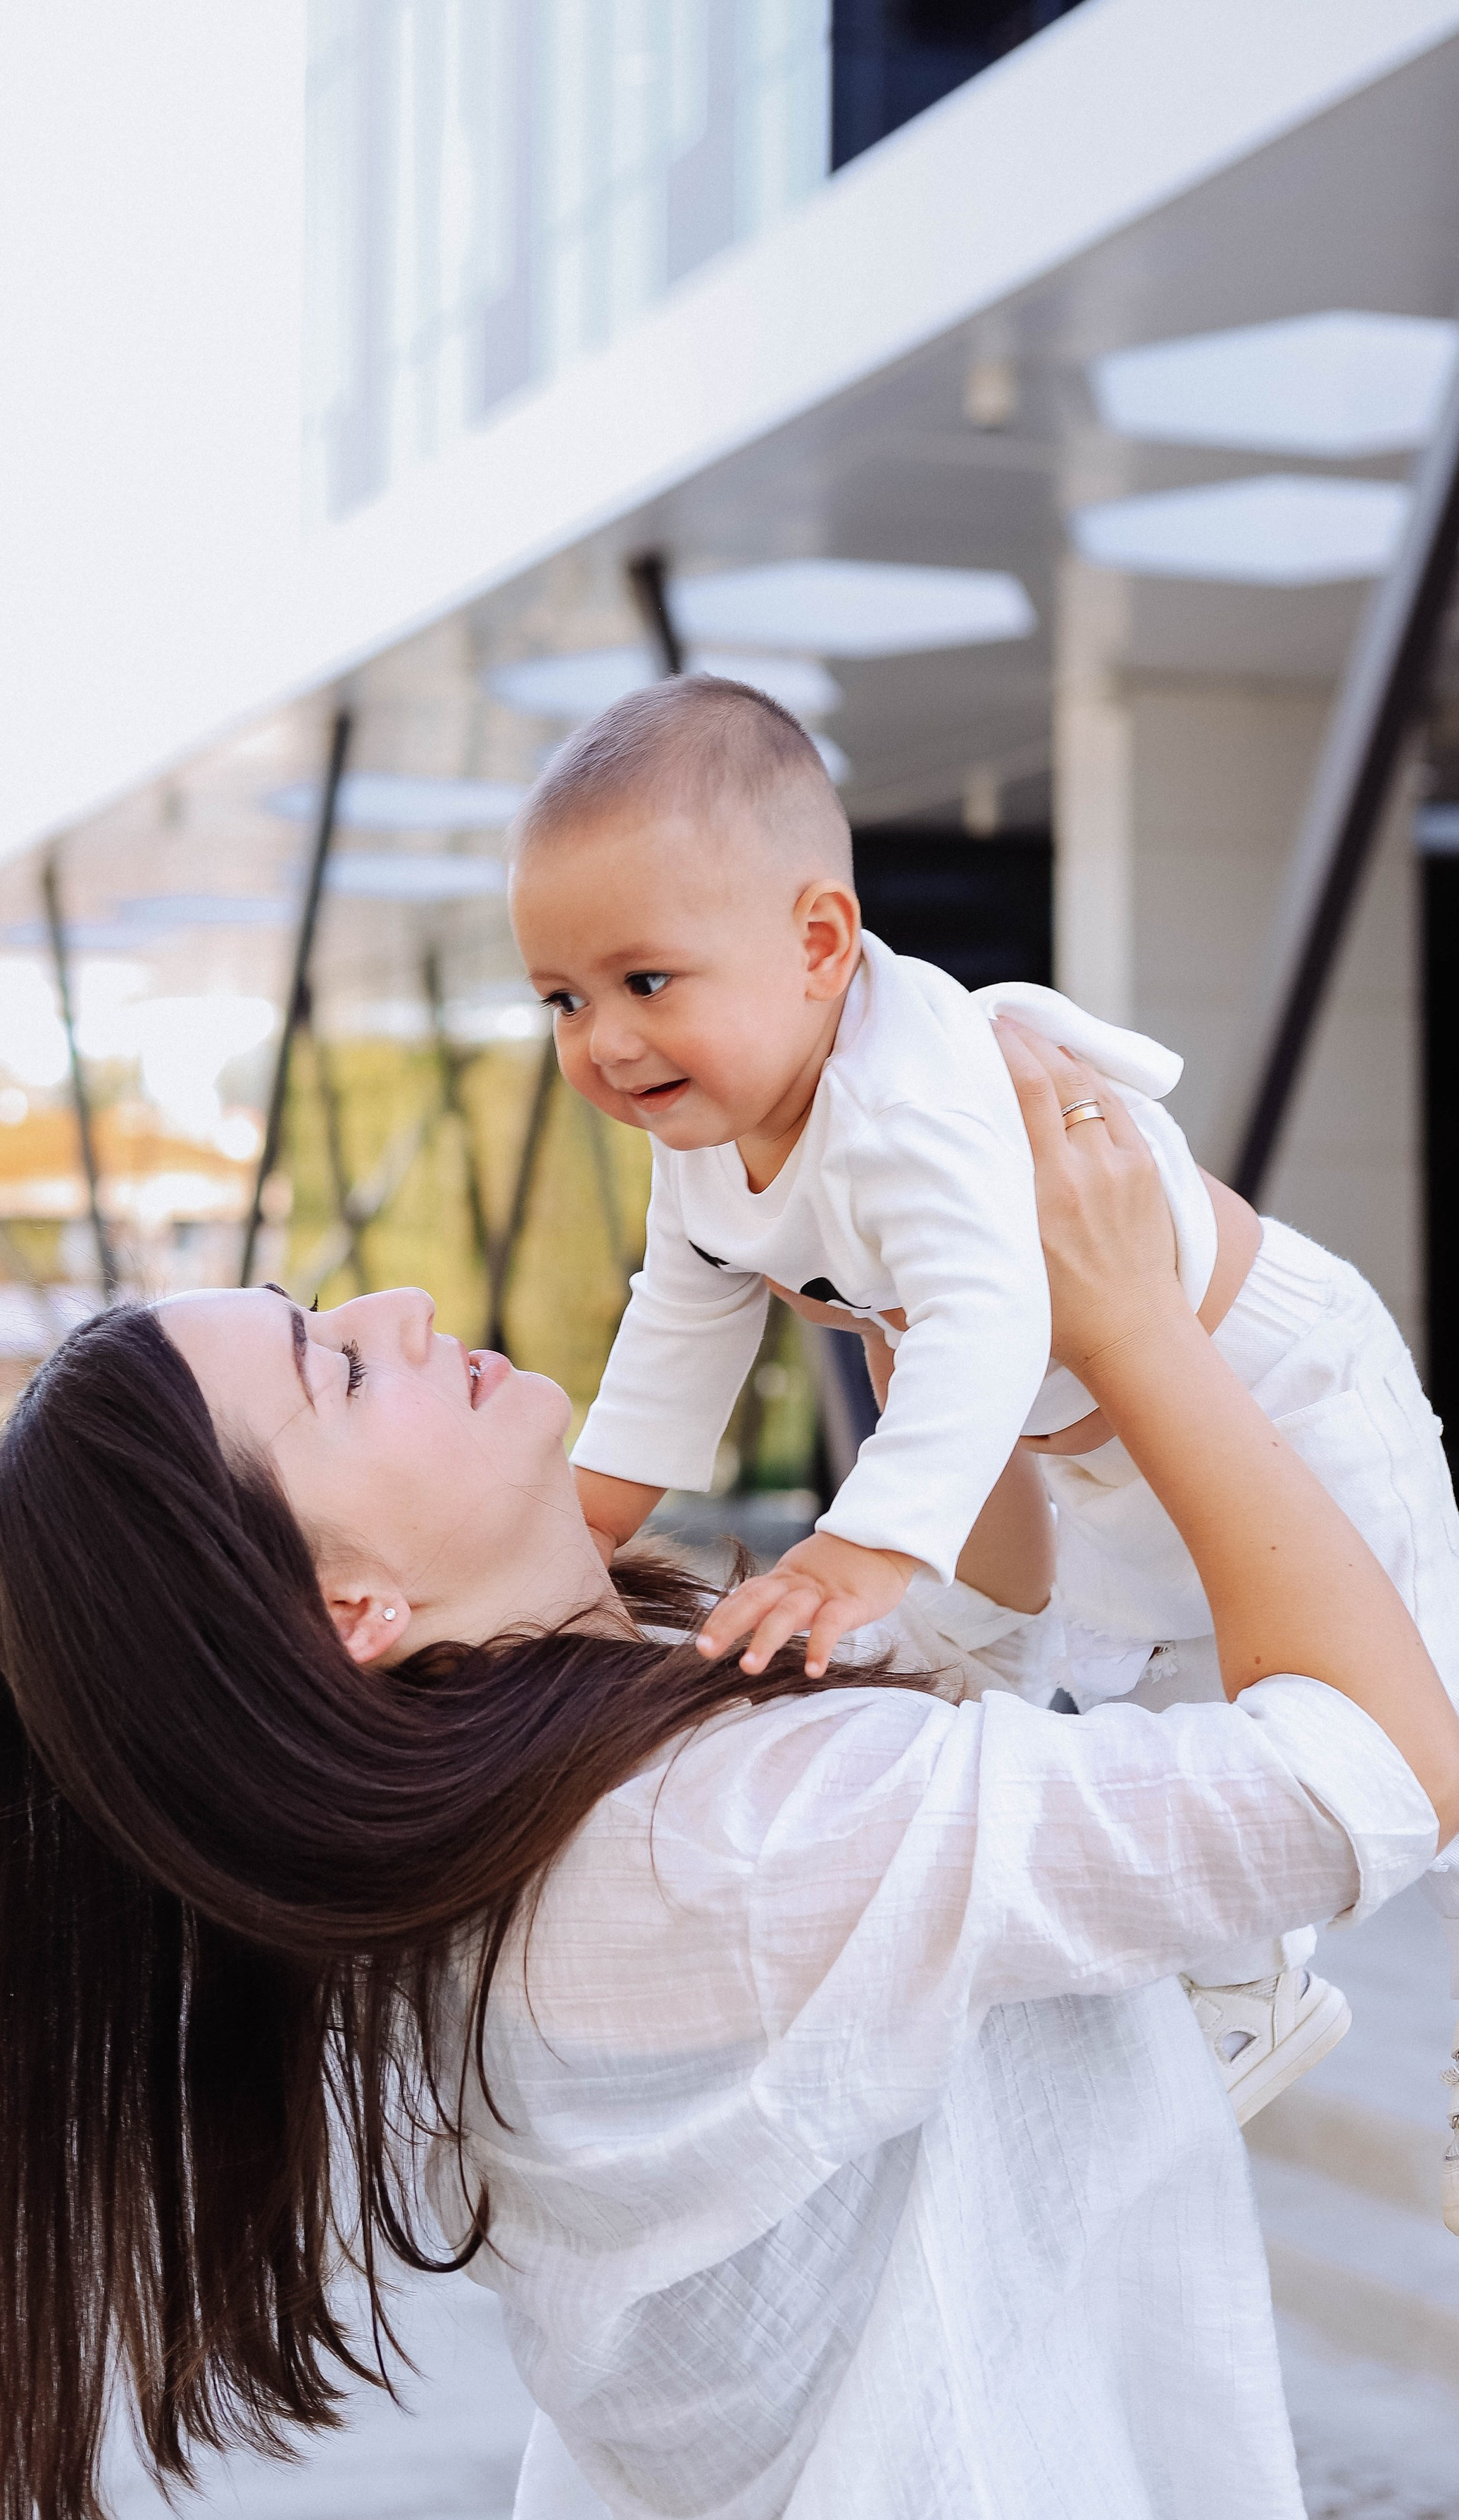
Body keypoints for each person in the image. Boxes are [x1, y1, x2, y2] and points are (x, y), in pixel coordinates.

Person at [0, 1027, 1459, 2520]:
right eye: (331, 1366)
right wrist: (1135, 1326)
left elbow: (962, 1659)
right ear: (348, 1606)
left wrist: (950, 1376)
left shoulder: (556, 1810)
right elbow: (1374, 1768)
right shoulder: (700, 1841)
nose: (395, 1309)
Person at [508, 673, 1459, 2139]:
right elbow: (680, 1318)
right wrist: (587, 1518)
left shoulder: (903, 1097)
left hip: (1278, 1387)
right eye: (561, 999)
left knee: (1389, 1709)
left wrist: (868, 1538)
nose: (604, 1042)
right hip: (1096, 1460)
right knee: (1170, 1710)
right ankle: (1223, 1982)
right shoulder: (702, 1131)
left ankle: (1282, 1995)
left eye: (643, 982)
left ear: (818, 942)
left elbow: (988, 1315)